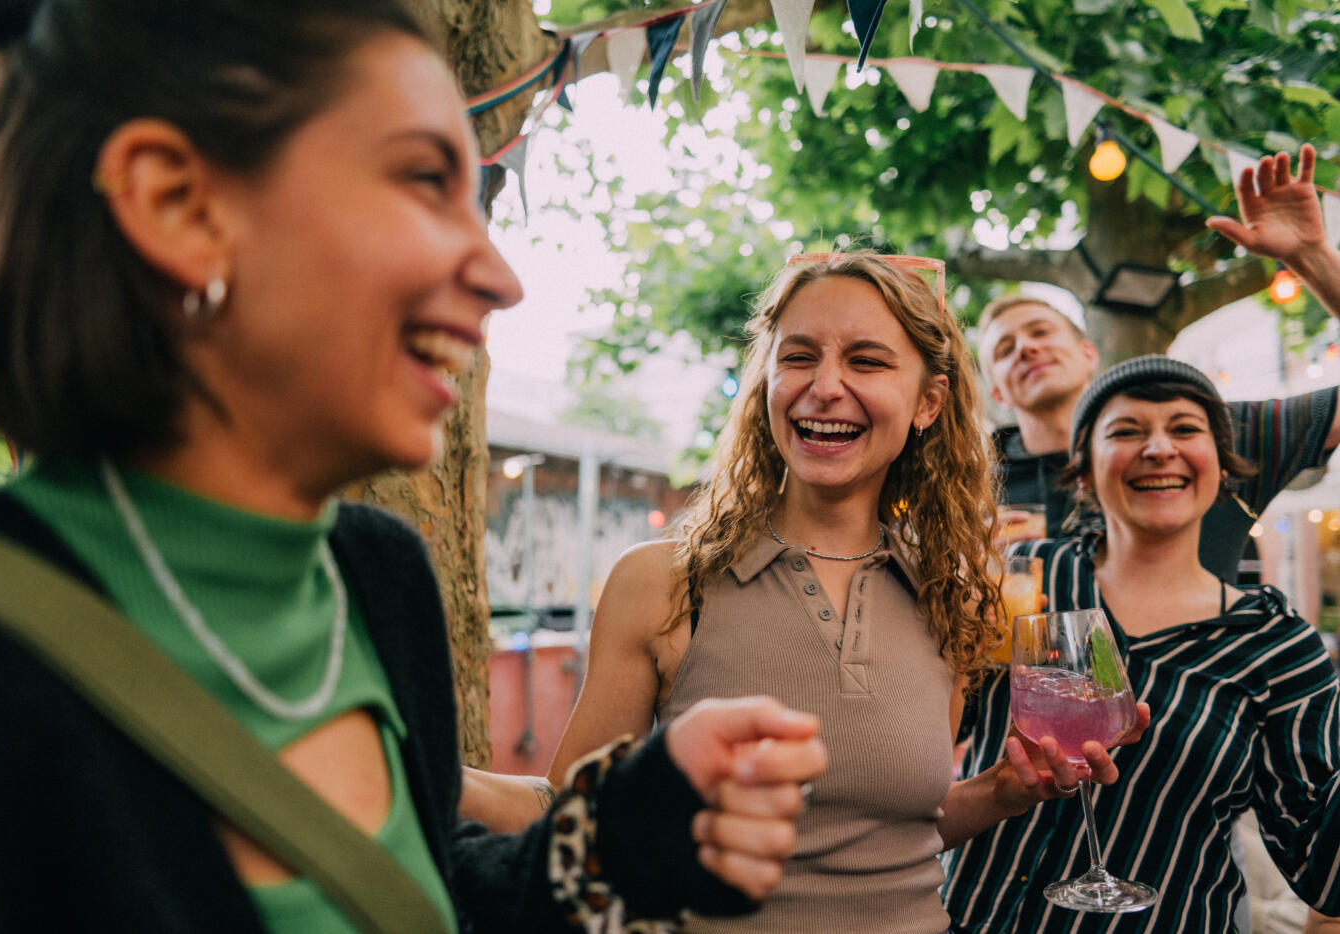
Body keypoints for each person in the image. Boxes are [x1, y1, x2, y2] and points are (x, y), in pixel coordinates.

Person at [0, 3, 831, 932]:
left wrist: (620, 837)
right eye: (420, 180)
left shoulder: (374, 575)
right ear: (179, 207)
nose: (499, 277)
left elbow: (425, 882)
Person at [463, 250, 1148, 933]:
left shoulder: (950, 593)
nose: (824, 386)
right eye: (798, 357)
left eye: (867, 362)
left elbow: (908, 827)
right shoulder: (665, 582)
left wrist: (1001, 792)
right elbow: (569, 812)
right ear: (766, 382)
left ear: (927, 404)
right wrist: (414, 775)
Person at [943, 356, 1340, 932]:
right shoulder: (1021, 579)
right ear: (1083, 470)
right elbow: (928, 734)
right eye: (1126, 431)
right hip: (969, 918)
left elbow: (1325, 878)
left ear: (1223, 468)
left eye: (1184, 429)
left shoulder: (1274, 645)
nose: (1158, 448)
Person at [980, 144, 1340, 582]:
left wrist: (1312, 256)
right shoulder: (973, 482)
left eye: (1041, 331)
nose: (1026, 349)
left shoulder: (1207, 437)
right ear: (995, 389)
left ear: (1088, 353)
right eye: (1004, 349)